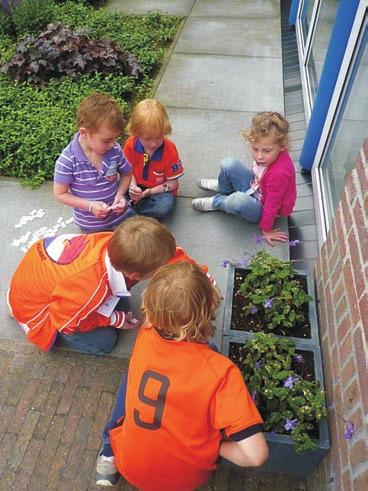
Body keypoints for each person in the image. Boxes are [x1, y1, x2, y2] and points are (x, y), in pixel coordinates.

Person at [95, 261, 268, 489]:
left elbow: (169, 298)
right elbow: (256, 456)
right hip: (183, 481)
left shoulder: (146, 333)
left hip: (130, 465)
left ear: (150, 305)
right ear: (209, 309)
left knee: (130, 379)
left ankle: (108, 452)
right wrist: (216, 446)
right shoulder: (220, 373)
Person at [7, 217, 203, 356]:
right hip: (41, 314)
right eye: (158, 270)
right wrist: (115, 319)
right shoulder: (87, 290)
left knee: (123, 304)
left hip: (56, 287)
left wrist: (201, 278)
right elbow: (66, 322)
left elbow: (170, 255)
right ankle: (39, 330)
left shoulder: (123, 243)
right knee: (105, 342)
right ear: (135, 275)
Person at [192, 112, 296, 245]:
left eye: (266, 151)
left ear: (282, 146)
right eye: (255, 149)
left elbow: (272, 204)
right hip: (256, 187)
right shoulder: (268, 156)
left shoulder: (279, 174)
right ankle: (224, 188)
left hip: (262, 207)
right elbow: (258, 174)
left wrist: (266, 230)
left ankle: (217, 202)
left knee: (239, 200)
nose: (259, 156)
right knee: (228, 163)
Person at [54, 93, 134, 233]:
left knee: (147, 241)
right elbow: (60, 194)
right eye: (106, 140)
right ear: (84, 133)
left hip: (121, 217)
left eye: (115, 139)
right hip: (92, 226)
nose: (112, 144)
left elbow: (127, 174)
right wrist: (90, 206)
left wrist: (120, 194)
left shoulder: (114, 149)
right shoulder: (68, 160)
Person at [124, 99, 184, 219]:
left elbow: (172, 183)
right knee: (113, 182)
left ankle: (130, 211)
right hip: (134, 184)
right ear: (136, 133)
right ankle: (132, 208)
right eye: (147, 139)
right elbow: (126, 170)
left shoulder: (169, 151)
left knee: (165, 206)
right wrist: (132, 187)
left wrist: (150, 192)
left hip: (157, 191)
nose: (153, 144)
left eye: (158, 137)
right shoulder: (131, 144)